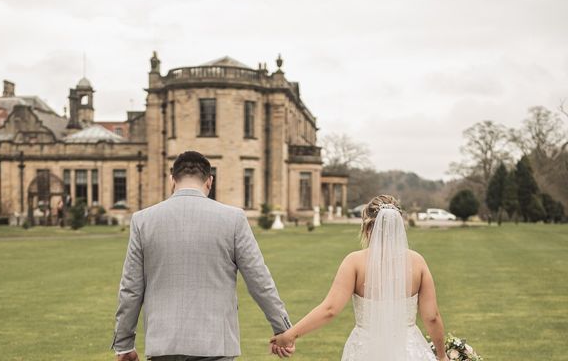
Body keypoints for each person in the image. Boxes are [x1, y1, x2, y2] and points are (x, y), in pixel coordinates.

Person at [111, 151, 294, 361]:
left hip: (164, 345)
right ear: (210, 181)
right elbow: (259, 280)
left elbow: (131, 289)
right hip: (216, 345)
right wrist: (282, 328)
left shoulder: (143, 220)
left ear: (172, 180)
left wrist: (123, 345)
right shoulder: (233, 219)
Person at [271, 194, 450, 361]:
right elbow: (432, 316)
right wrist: (442, 357)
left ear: (367, 226)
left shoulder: (355, 262)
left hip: (365, 349)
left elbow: (330, 309)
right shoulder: (417, 262)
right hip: (409, 349)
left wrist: (290, 335)